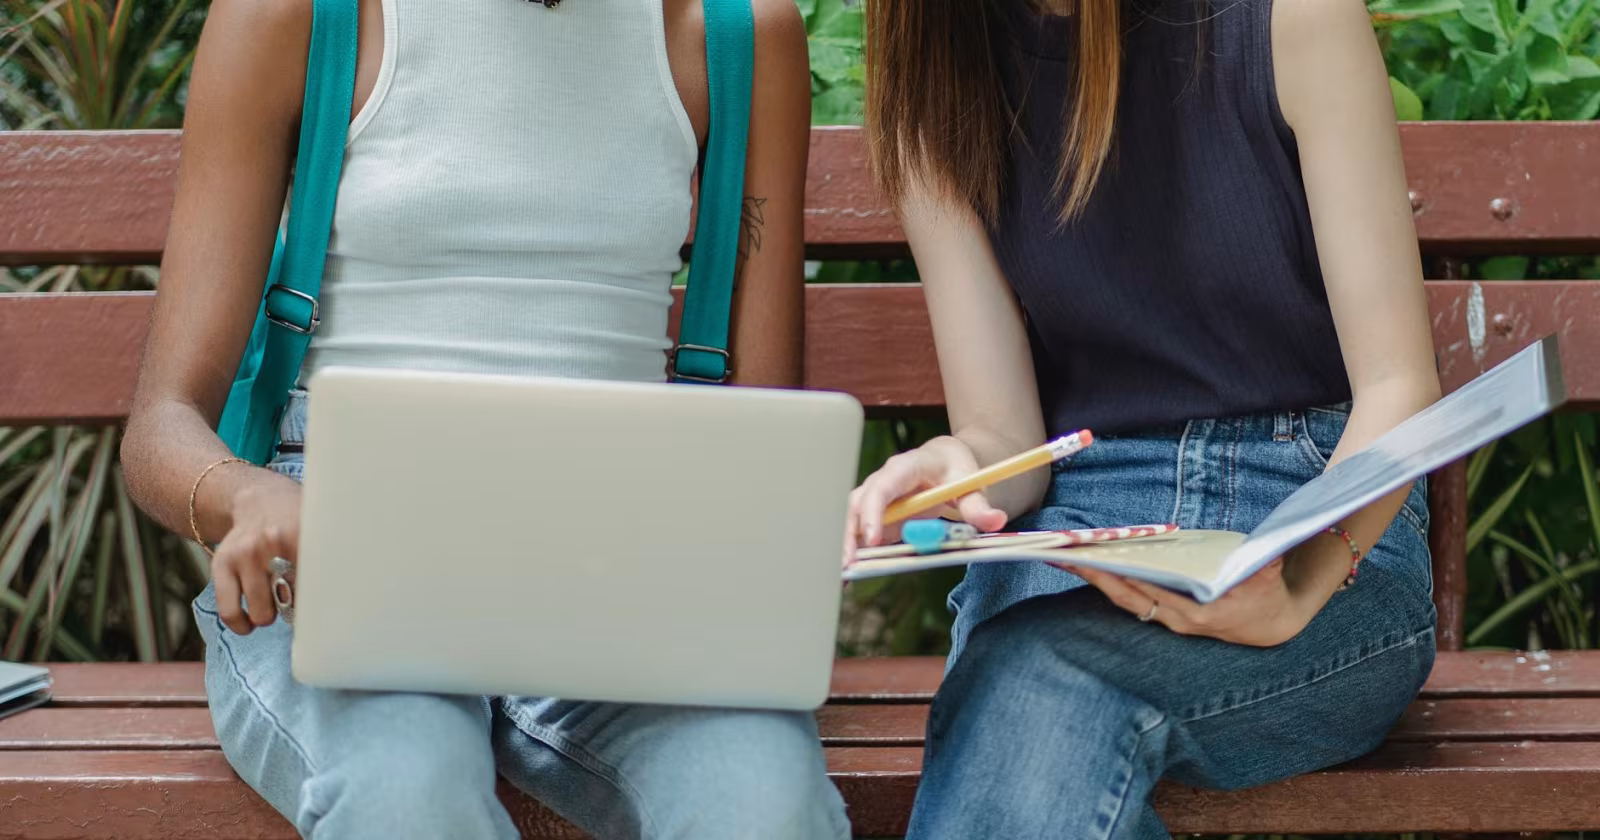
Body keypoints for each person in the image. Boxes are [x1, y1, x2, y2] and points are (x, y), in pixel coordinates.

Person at [118, 1, 845, 838]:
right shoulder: (301, 17)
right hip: (346, 546)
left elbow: (760, 447)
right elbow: (162, 425)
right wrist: (241, 497)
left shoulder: (737, 34)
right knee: (408, 795)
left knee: (765, 804)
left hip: (624, 553)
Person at [849, 0, 1441, 836]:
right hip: (1079, 538)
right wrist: (959, 466)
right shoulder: (936, 57)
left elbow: (1398, 387)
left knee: (1033, 686)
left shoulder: (1291, 17)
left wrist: (1302, 576)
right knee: (1031, 695)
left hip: (1322, 511)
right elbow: (1003, 435)